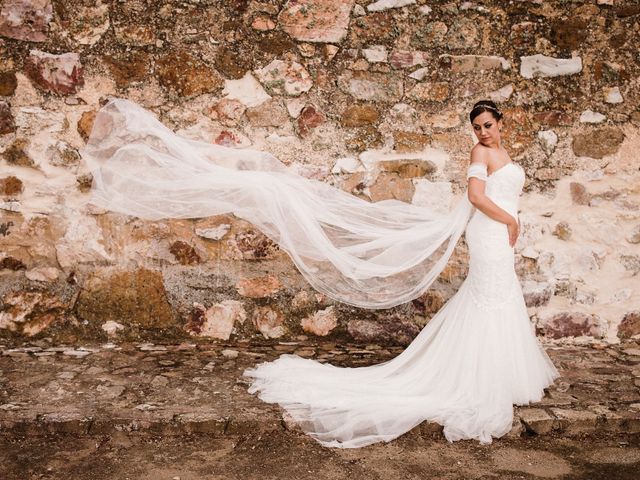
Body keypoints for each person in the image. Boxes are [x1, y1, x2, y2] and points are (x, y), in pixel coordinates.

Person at [83, 98, 559, 449]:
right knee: (488, 295)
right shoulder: (478, 156)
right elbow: (477, 199)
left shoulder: (502, 152)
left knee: (497, 297)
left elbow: (497, 193)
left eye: (489, 125)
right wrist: (513, 220)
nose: (484, 133)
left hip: (498, 235)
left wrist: (512, 219)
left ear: (502, 122)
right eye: (477, 127)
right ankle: (477, 377)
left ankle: (501, 372)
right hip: (492, 231)